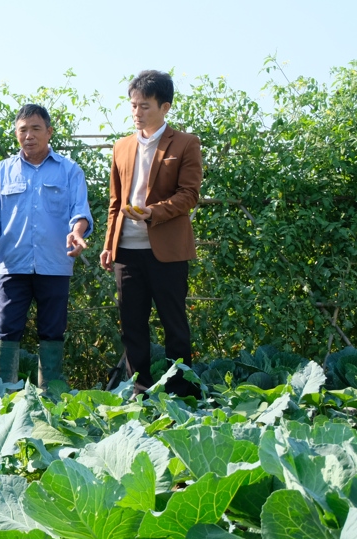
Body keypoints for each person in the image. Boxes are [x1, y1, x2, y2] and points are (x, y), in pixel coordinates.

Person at [99, 70, 203, 397]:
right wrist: (108, 245)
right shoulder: (121, 147)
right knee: (132, 325)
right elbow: (116, 201)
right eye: (133, 106)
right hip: (127, 251)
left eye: (144, 106)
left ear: (165, 106)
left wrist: (153, 212)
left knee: (174, 326)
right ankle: (140, 392)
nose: (137, 112)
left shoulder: (185, 143)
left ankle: (181, 392)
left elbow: (189, 194)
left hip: (168, 251)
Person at [0, 105, 93, 389]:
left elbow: (80, 212)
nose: (29, 135)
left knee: (53, 331)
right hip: (13, 264)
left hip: (55, 264)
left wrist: (77, 233)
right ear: (16, 134)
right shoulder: (3, 171)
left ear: (49, 132)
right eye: (22, 130)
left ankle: (50, 397)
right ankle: (4, 396)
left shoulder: (69, 171)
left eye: (35, 129)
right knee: (7, 329)